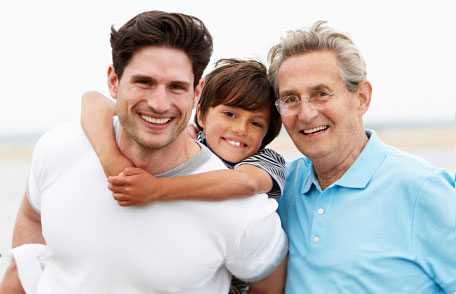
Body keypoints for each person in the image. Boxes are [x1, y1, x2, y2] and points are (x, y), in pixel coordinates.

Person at [0, 11, 287, 294]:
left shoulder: (243, 209)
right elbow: (32, 219)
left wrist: (157, 189)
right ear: (114, 81)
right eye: (144, 82)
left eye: (176, 87)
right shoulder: (59, 148)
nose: (159, 104)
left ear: (196, 91)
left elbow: (269, 284)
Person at [267, 21, 456, 293]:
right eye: (291, 99)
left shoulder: (420, 189)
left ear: (362, 98)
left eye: (321, 94)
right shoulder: (283, 186)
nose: (306, 114)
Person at [80, 58, 285, 294]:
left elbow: (246, 183)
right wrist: (110, 158)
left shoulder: (266, 160)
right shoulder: (191, 139)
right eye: (229, 114)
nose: (241, 129)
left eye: (256, 123)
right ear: (202, 113)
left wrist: (155, 189)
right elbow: (92, 101)